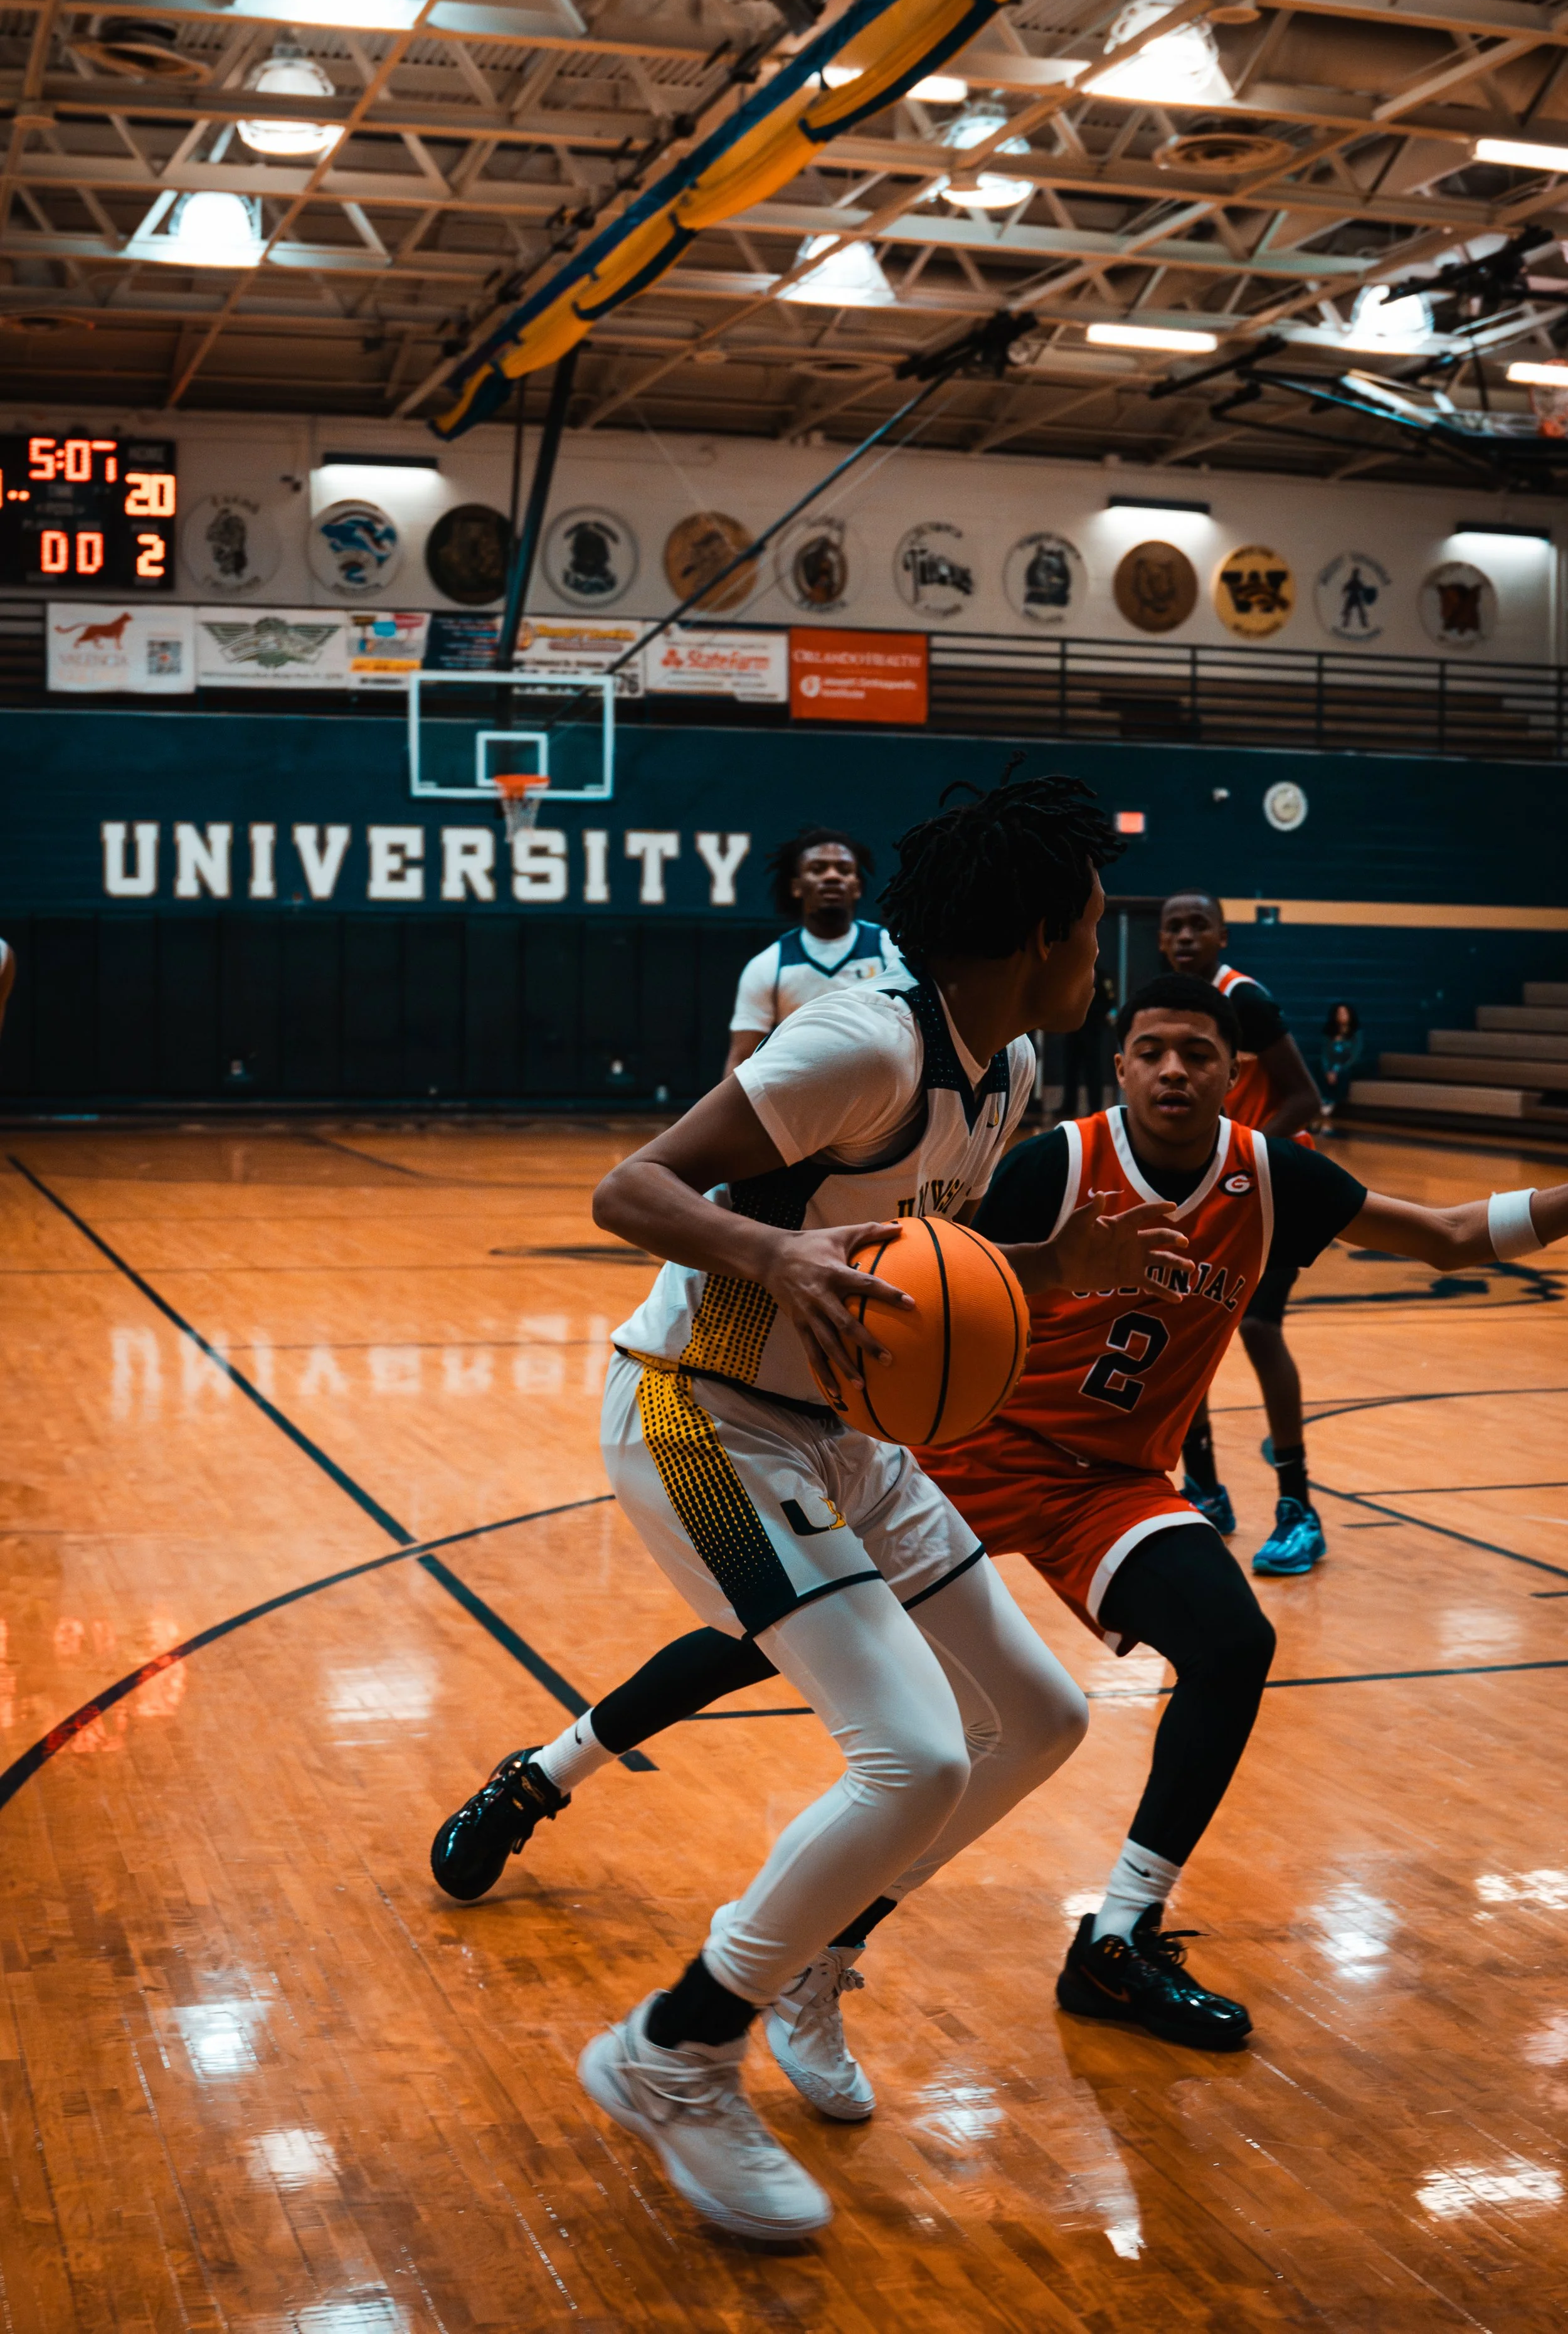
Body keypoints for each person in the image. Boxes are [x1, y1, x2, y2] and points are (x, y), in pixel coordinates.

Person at [432, 973, 1568, 2066]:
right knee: (760, 1644)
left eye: (1201, 1056)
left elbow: (1457, 1236)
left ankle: (1115, 1934)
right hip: (964, 1446)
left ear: (1239, 1078)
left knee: (1229, 1644)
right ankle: (543, 1776)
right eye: (1154, 1052)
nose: (1175, 1072)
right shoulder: (1052, 1161)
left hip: (1109, 1483)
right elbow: (932, 1281)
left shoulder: (1274, 1177)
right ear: (1119, 1065)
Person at [436, 776, 1197, 2241]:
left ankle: (813, 1952)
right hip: (700, 1410)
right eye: (1093, 923)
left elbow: (920, 1281)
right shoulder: (864, 1040)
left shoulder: (1010, 1071)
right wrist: (763, 1256)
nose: (1099, 951)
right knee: (909, 1752)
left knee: (1038, 1717)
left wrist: (1059, 1265)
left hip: (842, 1434)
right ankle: (676, 2044)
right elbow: (630, 1187)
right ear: (1040, 930)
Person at [1157, 893, 1325, 1578]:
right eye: (1174, 925)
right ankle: (1205, 1492)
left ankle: (1298, 1508)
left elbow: (1303, 1098)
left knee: (1257, 1327)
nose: (1186, 934)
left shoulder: (1244, 1002)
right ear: (1161, 940)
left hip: (1275, 1178)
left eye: (1199, 924)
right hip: (1209, 1185)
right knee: (1183, 1321)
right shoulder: (1162, 1004)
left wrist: (1242, 1158)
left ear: (1223, 934)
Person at [724, 827, 899, 1076]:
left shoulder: (891, 951)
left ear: (857, 887)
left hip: (884, 1098)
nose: (832, 877)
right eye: (818, 869)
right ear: (796, 887)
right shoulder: (769, 966)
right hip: (799, 1099)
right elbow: (741, 1058)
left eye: (844, 870)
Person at [1057, 965, 1115, 1120]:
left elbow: (1110, 1001)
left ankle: (1095, 1108)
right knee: (1070, 1069)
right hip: (1073, 1030)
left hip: (1092, 1031)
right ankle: (1069, 1106)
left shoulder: (1102, 976)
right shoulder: (1074, 974)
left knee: (1093, 1071)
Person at [1319, 1002, 1363, 1133]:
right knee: (1318, 1068)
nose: (1342, 1016)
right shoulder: (1329, 1035)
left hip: (1347, 1067)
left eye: (1345, 1013)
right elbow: (1325, 1056)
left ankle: (1333, 1101)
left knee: (1344, 1074)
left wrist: (1337, 1071)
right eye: (1339, 1013)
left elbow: (1355, 1056)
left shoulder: (1356, 1034)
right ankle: (1322, 1099)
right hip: (1332, 1067)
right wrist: (1328, 1071)